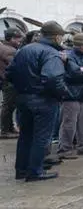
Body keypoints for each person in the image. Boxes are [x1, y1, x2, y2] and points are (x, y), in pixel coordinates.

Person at [5, 21, 71, 181]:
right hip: (43, 99)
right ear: (57, 37)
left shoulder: (24, 49)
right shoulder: (51, 53)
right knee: (41, 136)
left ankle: (21, 170)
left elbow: (10, 73)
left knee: (26, 135)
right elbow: (52, 78)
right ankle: (35, 171)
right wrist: (64, 93)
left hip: (24, 98)